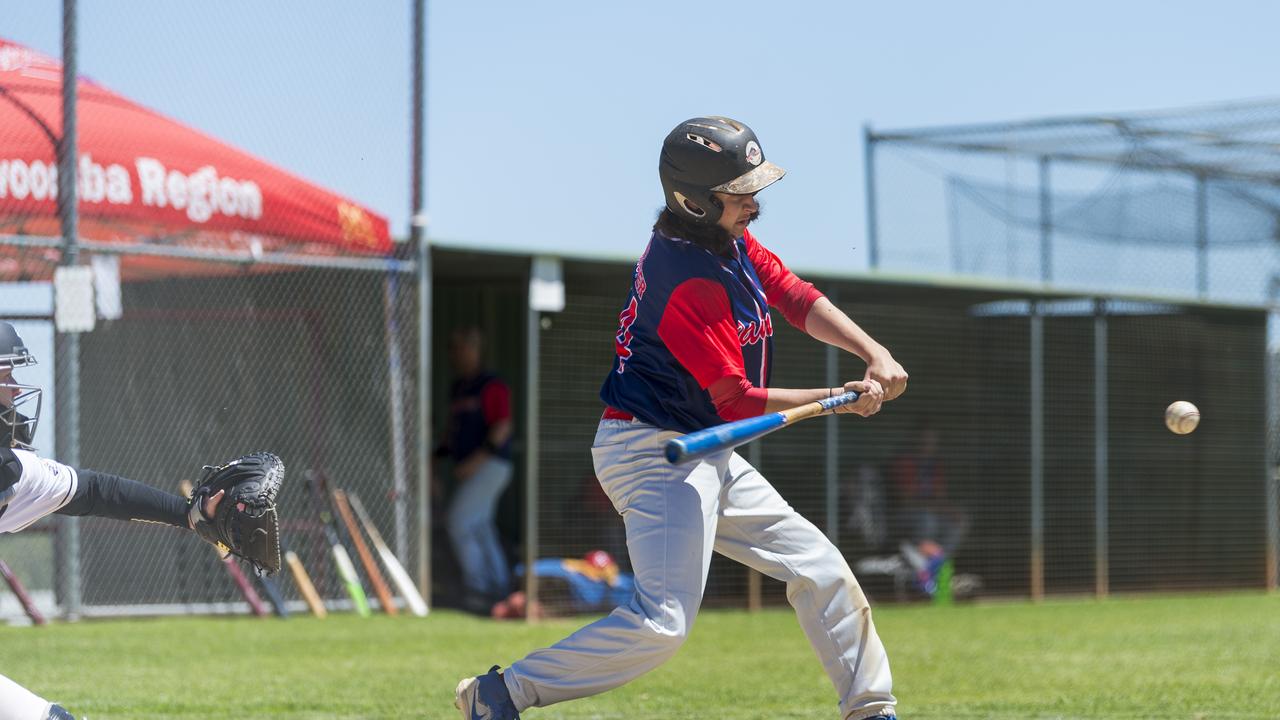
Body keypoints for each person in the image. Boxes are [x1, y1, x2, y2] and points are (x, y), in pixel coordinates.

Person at [454, 117, 908, 720]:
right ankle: (501, 694)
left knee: (819, 568)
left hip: (701, 446)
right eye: (738, 191)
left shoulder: (729, 244)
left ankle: (872, 711)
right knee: (663, 624)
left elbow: (794, 296)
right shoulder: (686, 277)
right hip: (651, 450)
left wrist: (872, 352)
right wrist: (839, 394)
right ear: (693, 201)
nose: (753, 202)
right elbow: (738, 401)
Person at [0, 321, 250, 720]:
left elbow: (95, 491)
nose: (15, 391)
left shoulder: (12, 471)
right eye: (5, 377)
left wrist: (190, 515)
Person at [439, 327, 514, 610]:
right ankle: (500, 587)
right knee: (480, 526)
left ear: (476, 350)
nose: (457, 354)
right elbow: (450, 431)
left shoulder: (491, 384)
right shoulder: (459, 386)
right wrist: (436, 461)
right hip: (472, 466)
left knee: (459, 520)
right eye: (454, 348)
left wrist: (476, 461)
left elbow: (503, 426)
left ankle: (479, 587)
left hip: (492, 465)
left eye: (463, 348)